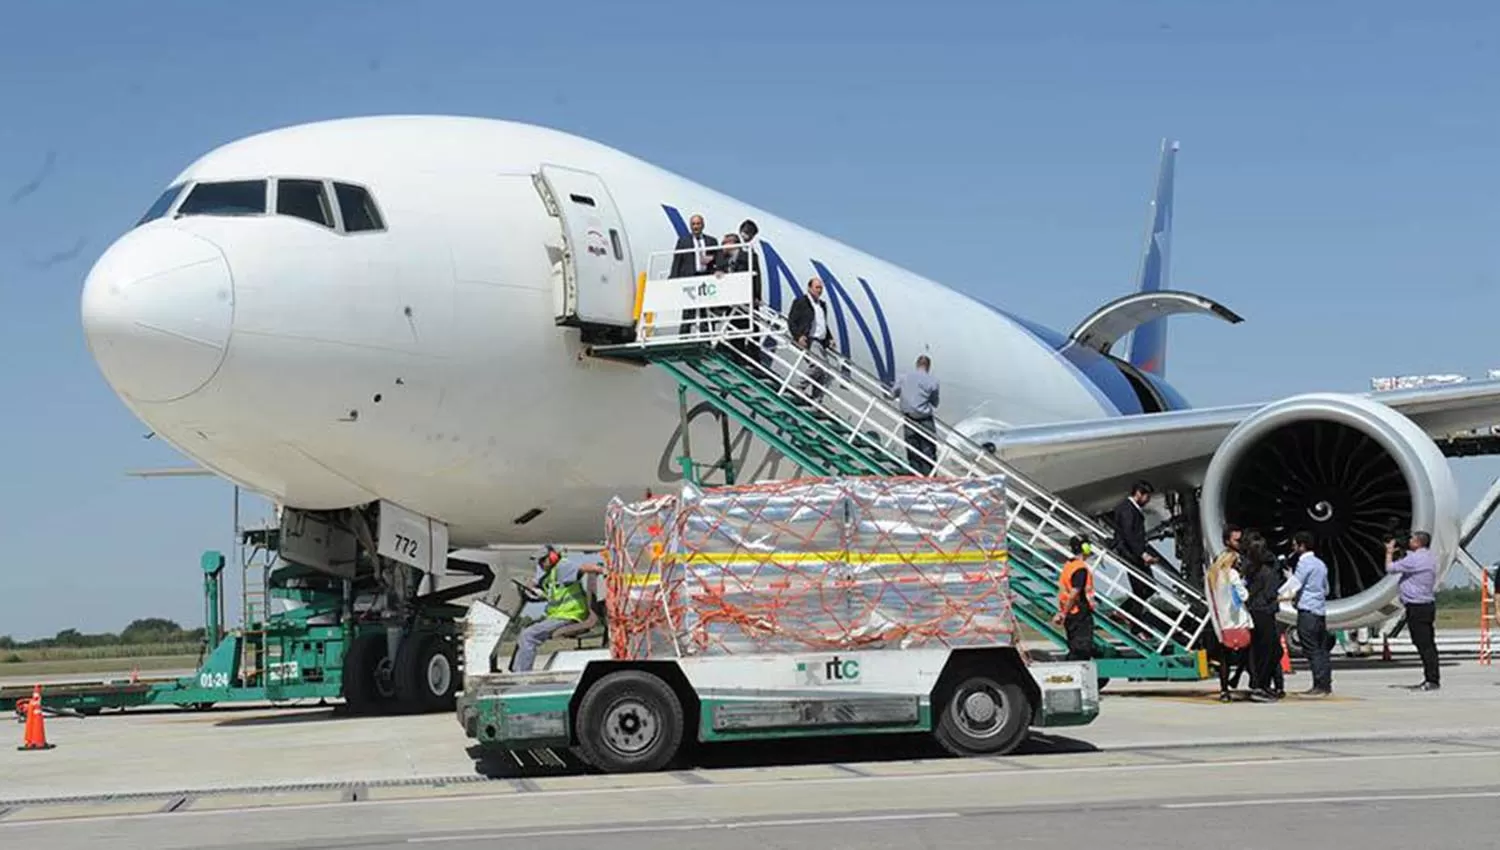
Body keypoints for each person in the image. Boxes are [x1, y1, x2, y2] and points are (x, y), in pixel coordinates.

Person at [512, 546, 606, 673]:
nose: (540, 564)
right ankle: (517, 670)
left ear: (552, 557)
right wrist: (534, 587)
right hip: (561, 616)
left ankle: (521, 676)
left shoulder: (563, 567)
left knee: (528, 636)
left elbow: (583, 568)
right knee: (525, 633)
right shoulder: (552, 574)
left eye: (542, 560)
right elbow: (551, 591)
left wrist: (602, 570)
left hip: (568, 616)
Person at [1387, 531, 1440, 691]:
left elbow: (1390, 568)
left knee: (1424, 644)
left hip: (1417, 607)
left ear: (1418, 543)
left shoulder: (1414, 559)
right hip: (1427, 606)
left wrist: (1389, 552)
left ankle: (1431, 680)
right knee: (1428, 644)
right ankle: (1432, 678)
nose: (1409, 541)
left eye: (1411, 539)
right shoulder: (1429, 557)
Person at [1109, 480, 1163, 638]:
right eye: (1147, 496)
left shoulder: (1131, 509)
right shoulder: (1127, 509)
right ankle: (1133, 624)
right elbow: (1129, 535)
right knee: (1142, 589)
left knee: (1147, 588)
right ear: (1138, 494)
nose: (1148, 500)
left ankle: (1126, 615)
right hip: (1130, 554)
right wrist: (1143, 554)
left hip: (1134, 553)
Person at [1204, 526, 1251, 702]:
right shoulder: (1232, 573)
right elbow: (1244, 595)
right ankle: (1239, 677)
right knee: (1247, 652)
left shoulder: (1213, 573)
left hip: (1221, 621)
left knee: (1224, 658)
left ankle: (1224, 690)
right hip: (1237, 619)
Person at [1283, 530, 1332, 697]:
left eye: (1295, 544)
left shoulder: (1304, 563)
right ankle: (1325, 683)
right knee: (1321, 649)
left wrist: (1277, 596)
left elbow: (1294, 584)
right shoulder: (1320, 564)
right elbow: (1326, 589)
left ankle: (1319, 685)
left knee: (1311, 649)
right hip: (1319, 611)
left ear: (1302, 546)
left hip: (1307, 611)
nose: (1293, 547)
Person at [1241, 530, 1284, 701]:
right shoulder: (1267, 571)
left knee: (1259, 650)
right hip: (1265, 612)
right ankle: (1260, 685)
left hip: (1254, 611)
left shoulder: (1249, 569)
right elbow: (1271, 592)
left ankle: (1260, 684)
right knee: (1271, 650)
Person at [891, 355, 941, 474]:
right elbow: (935, 403)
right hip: (925, 418)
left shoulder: (904, 377)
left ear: (917, 364)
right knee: (928, 450)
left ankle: (915, 475)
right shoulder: (933, 381)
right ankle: (929, 476)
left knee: (912, 448)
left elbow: (893, 393)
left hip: (909, 418)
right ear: (928, 366)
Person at [786, 277, 834, 401]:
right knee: (819, 365)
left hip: (820, 342)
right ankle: (799, 387)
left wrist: (830, 338)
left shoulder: (822, 305)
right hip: (810, 339)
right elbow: (792, 321)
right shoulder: (801, 302)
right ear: (809, 288)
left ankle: (816, 400)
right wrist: (798, 336)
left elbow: (823, 324)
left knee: (824, 372)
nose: (819, 290)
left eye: (821, 288)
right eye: (817, 287)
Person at [1053, 535, 1096, 661]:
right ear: (1085, 548)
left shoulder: (1069, 565)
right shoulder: (1080, 568)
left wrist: (1063, 612)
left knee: (1074, 646)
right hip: (1079, 613)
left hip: (1071, 613)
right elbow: (1074, 593)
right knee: (1081, 650)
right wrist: (1063, 613)